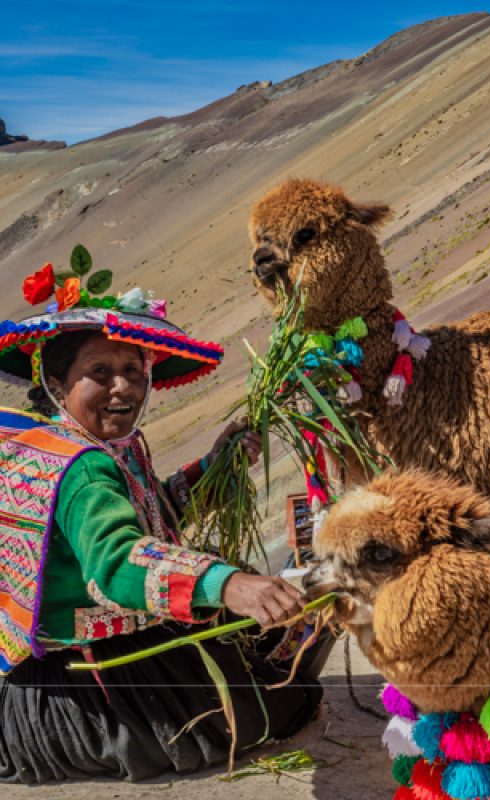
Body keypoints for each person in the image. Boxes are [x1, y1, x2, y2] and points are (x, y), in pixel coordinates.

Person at [0, 262, 330, 783]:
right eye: (100, 373)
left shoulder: (99, 446)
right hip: (90, 691)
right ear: (56, 381)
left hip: (65, 677)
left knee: (262, 643)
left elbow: (156, 512)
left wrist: (216, 465)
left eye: (133, 371)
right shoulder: (82, 466)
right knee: (275, 706)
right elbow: (116, 562)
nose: (121, 388)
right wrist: (227, 584)